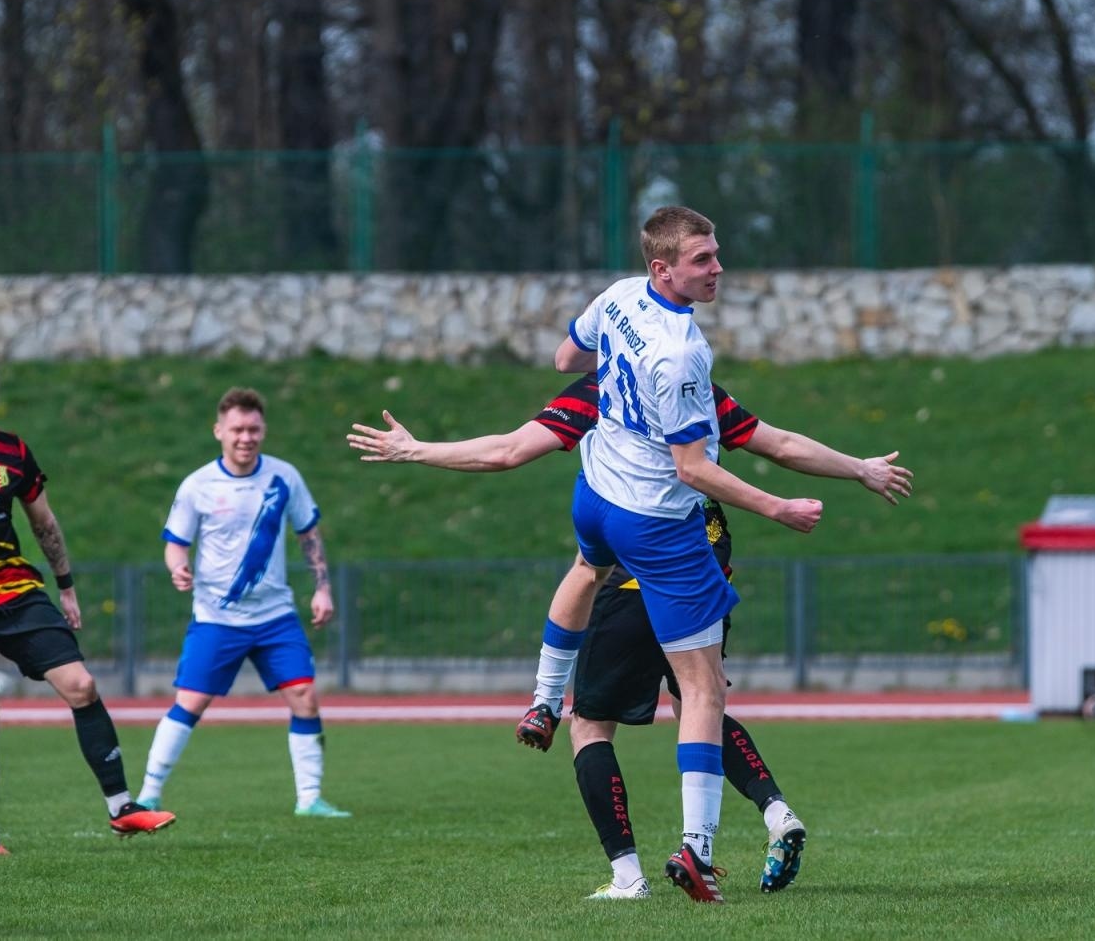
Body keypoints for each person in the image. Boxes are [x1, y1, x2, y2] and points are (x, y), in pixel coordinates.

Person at [349, 374, 911, 898]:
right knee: (699, 700)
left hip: (640, 565)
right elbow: (780, 443)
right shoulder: (691, 382)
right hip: (706, 559)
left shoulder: (606, 384)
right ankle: (772, 814)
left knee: (592, 716)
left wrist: (416, 450)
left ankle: (625, 867)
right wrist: (860, 469)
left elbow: (507, 450)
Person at [0, 350, 175, 852]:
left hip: (16, 589)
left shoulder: (12, 453)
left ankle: (122, 808)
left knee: (82, 685)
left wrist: (66, 585)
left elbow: (44, 524)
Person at [137, 387, 350, 818]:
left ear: (263, 430)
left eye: (253, 429)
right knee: (190, 703)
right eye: (237, 429)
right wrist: (177, 567)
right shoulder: (197, 485)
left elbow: (308, 534)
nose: (245, 437)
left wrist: (322, 587)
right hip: (216, 617)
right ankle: (148, 794)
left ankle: (309, 799)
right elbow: (176, 543)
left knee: (305, 697)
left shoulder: (284, 477)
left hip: (275, 617)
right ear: (219, 431)